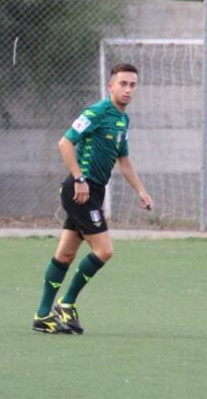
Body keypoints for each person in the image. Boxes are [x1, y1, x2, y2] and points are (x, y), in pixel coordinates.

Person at [32, 62, 153, 334]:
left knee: (65, 255)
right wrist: (79, 177)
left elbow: (123, 160)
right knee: (104, 250)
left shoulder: (123, 120)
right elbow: (65, 142)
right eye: (123, 83)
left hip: (94, 191)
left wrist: (141, 191)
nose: (128, 89)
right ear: (110, 86)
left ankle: (42, 316)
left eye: (132, 84)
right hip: (80, 191)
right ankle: (66, 303)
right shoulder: (96, 112)